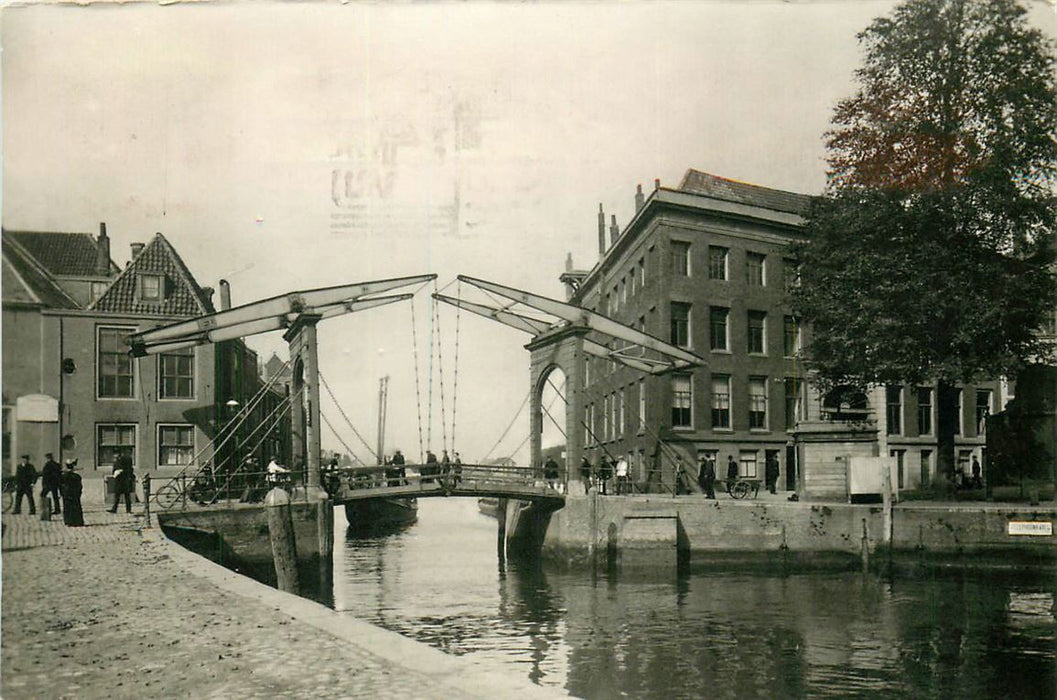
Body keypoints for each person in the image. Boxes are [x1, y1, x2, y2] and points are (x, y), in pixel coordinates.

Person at [109, 449, 135, 513]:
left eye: (116, 454)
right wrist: (115, 473)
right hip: (118, 481)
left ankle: (128, 510)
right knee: (117, 496)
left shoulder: (125, 460)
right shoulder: (116, 461)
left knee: (127, 496)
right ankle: (114, 509)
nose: (115, 456)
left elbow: (129, 470)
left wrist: (121, 471)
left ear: (118, 454)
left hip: (124, 481)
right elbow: (114, 469)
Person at [60, 459, 84, 527]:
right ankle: (77, 521)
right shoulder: (77, 476)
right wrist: (79, 493)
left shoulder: (64, 476)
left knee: (67, 507)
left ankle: (68, 521)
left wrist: (62, 493)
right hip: (75, 494)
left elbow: (61, 485)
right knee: (76, 507)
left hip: (67, 494)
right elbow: (80, 486)